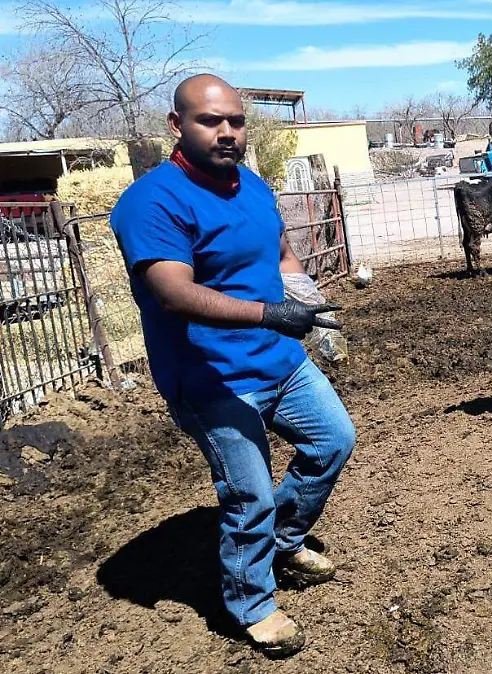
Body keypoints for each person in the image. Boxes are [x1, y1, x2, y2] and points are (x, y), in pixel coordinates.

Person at [110, 74, 355, 659]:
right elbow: (175, 293)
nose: (227, 133)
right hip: (210, 376)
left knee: (333, 442)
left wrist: (307, 299)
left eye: (236, 121)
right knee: (248, 495)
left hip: (281, 361)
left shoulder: (252, 185)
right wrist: (272, 314)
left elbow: (280, 249)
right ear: (177, 126)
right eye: (209, 121)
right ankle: (252, 603)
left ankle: (283, 543)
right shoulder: (151, 202)